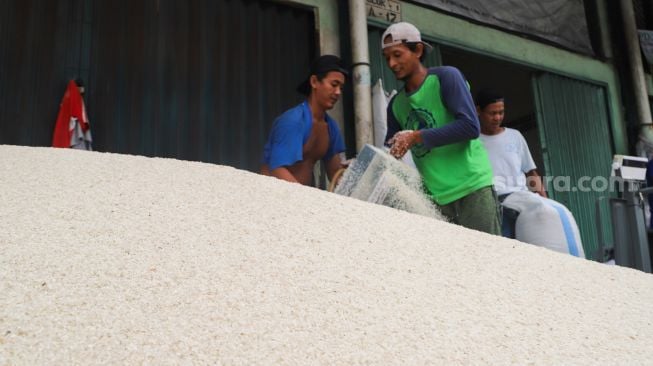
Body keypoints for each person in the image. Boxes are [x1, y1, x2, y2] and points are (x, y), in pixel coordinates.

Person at [381, 22, 501, 235]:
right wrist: (364, 163)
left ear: (417, 50)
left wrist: (416, 136)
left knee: (487, 260)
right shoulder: (396, 105)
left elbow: (470, 127)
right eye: (387, 57)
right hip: (436, 200)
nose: (392, 63)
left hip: (472, 189)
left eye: (397, 55)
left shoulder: (446, 77)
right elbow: (392, 152)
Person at [261, 55, 348, 186]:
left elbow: (336, 174)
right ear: (314, 82)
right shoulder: (292, 121)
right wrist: (305, 200)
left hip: (302, 199)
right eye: (334, 84)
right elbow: (277, 170)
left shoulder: (331, 128)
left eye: (341, 88)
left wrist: (357, 172)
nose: (338, 92)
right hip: (273, 196)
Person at [476, 88, 546, 238]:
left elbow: (531, 172)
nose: (497, 117)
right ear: (478, 111)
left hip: (522, 202)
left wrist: (544, 201)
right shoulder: (473, 142)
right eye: (492, 113)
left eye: (501, 112)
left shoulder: (515, 136)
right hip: (493, 205)